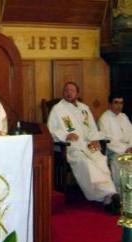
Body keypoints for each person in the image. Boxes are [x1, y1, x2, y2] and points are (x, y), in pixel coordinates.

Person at [47, 82, 120, 214]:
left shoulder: (84, 108)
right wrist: (66, 135)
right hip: (71, 147)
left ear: (78, 93)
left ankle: (109, 195)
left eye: (72, 90)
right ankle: (107, 196)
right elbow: (51, 130)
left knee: (100, 159)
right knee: (86, 163)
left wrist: (95, 140)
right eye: (66, 90)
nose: (69, 92)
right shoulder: (57, 109)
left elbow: (92, 128)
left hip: (88, 144)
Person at [98, 93, 132, 192]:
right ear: (110, 104)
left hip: (128, 149)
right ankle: (121, 196)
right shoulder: (104, 118)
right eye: (116, 103)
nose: (119, 106)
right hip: (114, 151)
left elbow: (131, 133)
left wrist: (130, 147)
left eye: (121, 103)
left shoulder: (124, 116)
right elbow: (108, 141)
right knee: (123, 163)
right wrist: (125, 150)